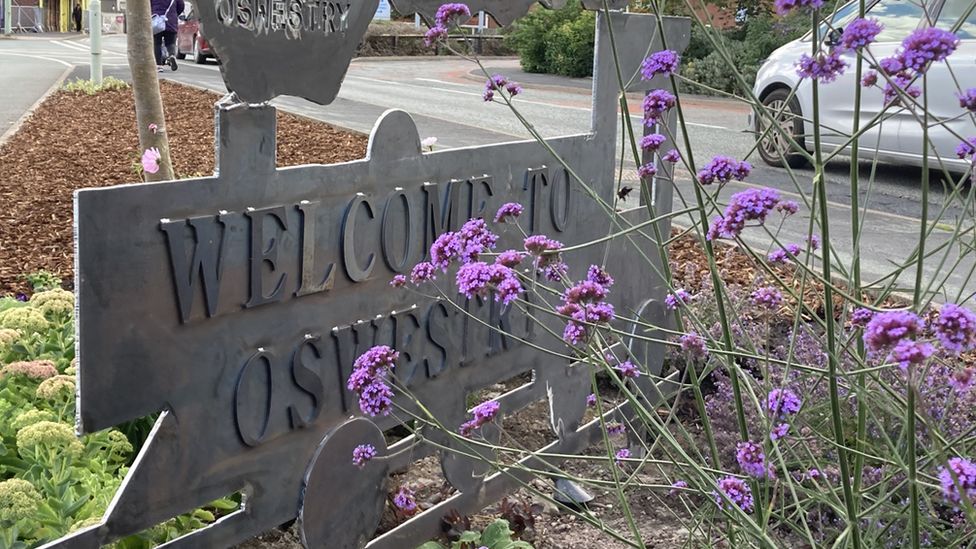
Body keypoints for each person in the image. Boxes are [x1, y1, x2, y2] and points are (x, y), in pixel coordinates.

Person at [151, 0, 184, 72]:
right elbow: (181, 6)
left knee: (157, 44)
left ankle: (159, 66)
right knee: (171, 43)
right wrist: (174, 13)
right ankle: (172, 55)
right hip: (170, 20)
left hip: (156, 20)